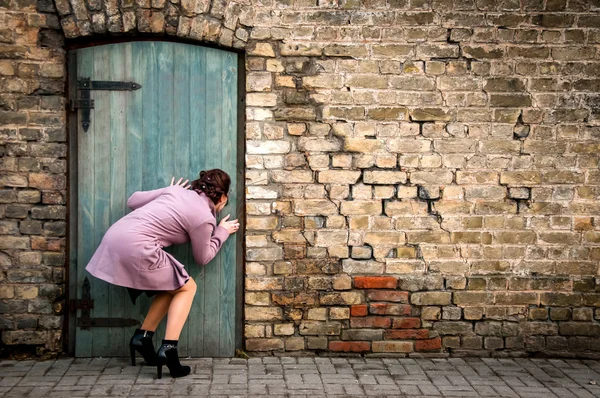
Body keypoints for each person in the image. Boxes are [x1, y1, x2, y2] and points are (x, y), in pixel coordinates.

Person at [85, 169, 239, 379]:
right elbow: (202, 258)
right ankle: (169, 349)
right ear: (222, 197)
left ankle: (143, 338)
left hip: (115, 237)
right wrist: (221, 231)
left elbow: (133, 200)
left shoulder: (175, 193)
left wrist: (168, 189)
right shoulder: (204, 218)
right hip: (138, 247)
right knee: (189, 287)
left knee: (174, 284)